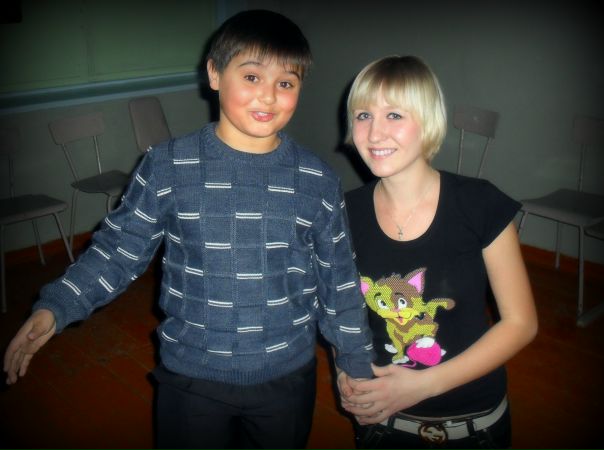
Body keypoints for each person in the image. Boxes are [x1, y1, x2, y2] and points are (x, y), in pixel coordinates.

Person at [3, 10, 374, 450]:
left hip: (285, 377)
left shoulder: (317, 180)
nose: (269, 96)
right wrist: (58, 305)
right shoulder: (168, 166)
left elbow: (339, 281)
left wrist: (354, 361)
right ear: (215, 74)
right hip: (191, 376)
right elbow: (118, 251)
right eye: (251, 77)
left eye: (286, 83)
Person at [339, 55, 538, 450]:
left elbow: (521, 324)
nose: (374, 132)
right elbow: (343, 313)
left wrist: (422, 385)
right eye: (363, 115)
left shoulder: (479, 204)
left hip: (472, 425)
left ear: (428, 121)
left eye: (394, 115)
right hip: (381, 424)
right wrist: (344, 368)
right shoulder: (343, 213)